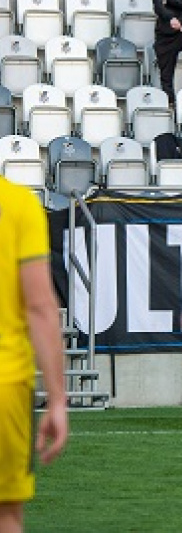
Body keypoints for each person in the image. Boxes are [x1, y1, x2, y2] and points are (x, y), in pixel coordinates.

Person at [0, 178, 69, 533]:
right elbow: (41, 307)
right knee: (7, 516)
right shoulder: (18, 204)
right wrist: (57, 399)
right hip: (6, 385)